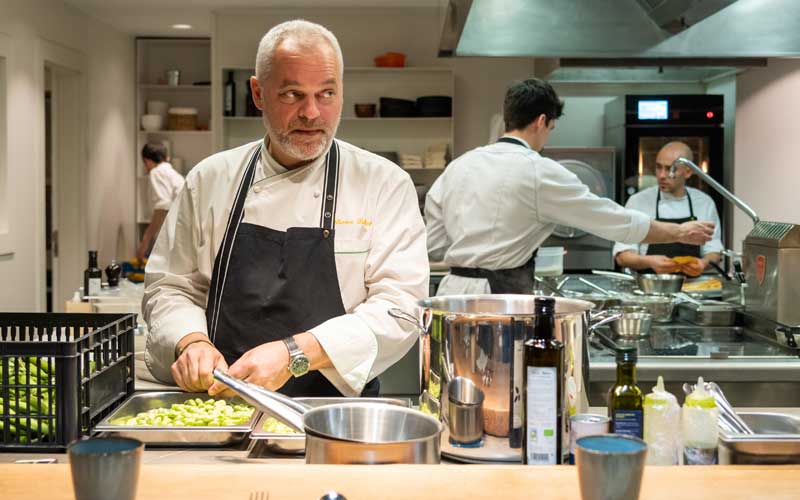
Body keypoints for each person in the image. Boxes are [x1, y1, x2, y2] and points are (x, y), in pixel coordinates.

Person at [142, 20, 427, 398]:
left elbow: (400, 308)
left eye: (326, 94)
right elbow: (169, 286)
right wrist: (191, 341)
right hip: (220, 401)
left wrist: (295, 353)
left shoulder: (383, 184)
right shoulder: (209, 179)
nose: (312, 113)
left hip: (333, 412)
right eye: (293, 95)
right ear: (258, 94)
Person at [425, 79, 715, 295]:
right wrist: (678, 231)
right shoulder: (539, 170)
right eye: (551, 129)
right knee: (499, 377)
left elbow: (435, 244)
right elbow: (612, 220)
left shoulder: (459, 165)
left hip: (450, 295)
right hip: (499, 302)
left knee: (451, 375)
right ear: (542, 121)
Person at [613, 141, 722, 276]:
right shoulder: (638, 201)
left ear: (688, 172)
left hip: (691, 286)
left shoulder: (704, 203)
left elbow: (714, 251)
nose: (662, 175)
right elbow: (623, 256)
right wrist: (649, 261)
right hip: (649, 286)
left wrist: (703, 264)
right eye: (659, 167)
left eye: (670, 169)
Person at [136, 142, 185, 263]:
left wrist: (145, 240)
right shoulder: (174, 174)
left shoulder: (156, 172)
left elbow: (163, 208)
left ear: (147, 161)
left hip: (177, 232)